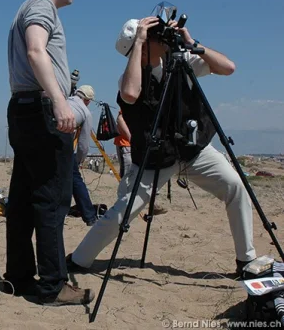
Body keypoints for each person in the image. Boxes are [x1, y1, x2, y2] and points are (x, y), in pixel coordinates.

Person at [67, 16, 257, 276]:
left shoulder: (181, 61)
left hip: (192, 149)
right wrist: (140, 41)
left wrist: (192, 43)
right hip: (156, 157)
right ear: (141, 45)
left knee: (236, 187)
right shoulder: (130, 76)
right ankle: (79, 259)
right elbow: (130, 94)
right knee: (124, 211)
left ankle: (246, 260)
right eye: (156, 36)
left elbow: (228, 68)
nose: (164, 37)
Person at [4, 0, 94, 306]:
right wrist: (59, 101)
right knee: (52, 201)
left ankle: (20, 277)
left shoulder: (27, 7)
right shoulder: (42, 6)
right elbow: (36, 49)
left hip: (24, 109)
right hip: (42, 110)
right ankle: (53, 285)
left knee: (24, 199)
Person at [68, 84, 97, 226]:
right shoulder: (85, 112)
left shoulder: (65, 101)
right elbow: (83, 145)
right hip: (62, 143)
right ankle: (89, 216)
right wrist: (78, 160)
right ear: (88, 100)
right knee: (76, 181)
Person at [114, 110, 132, 178]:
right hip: (126, 145)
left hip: (131, 145)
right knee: (126, 176)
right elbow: (119, 119)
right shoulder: (131, 102)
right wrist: (131, 138)